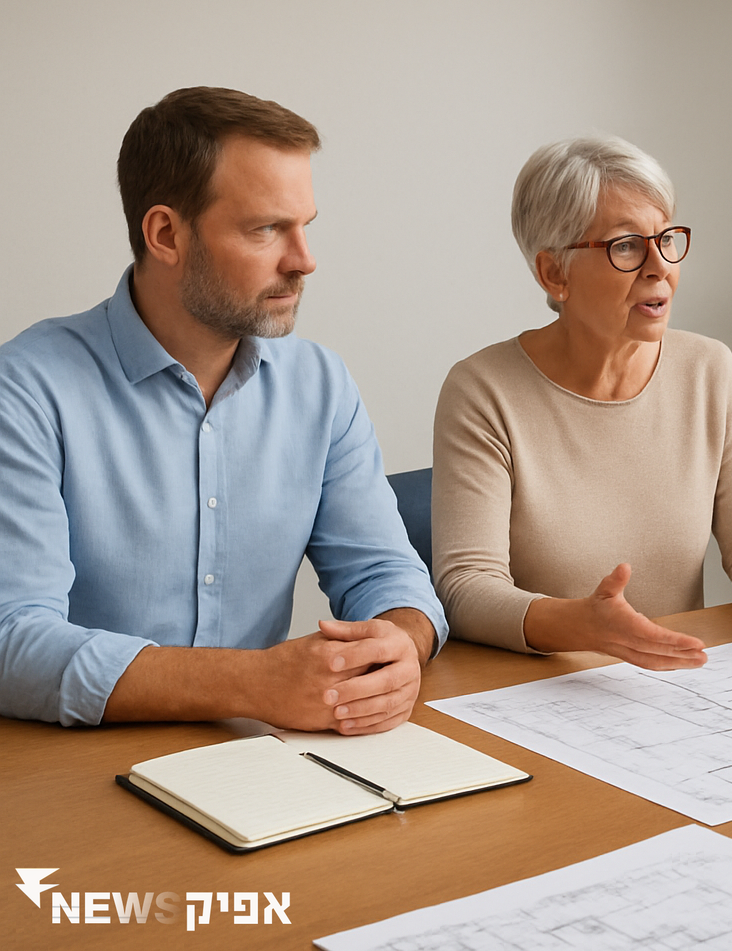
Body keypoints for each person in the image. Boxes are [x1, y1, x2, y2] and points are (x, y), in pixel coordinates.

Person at [0, 87, 445, 731]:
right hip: (77, 767)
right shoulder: (27, 389)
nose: (304, 261)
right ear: (165, 234)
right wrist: (252, 682)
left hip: (264, 757)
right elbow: (13, 637)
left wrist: (401, 642)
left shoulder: (321, 384)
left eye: (305, 227)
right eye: (266, 229)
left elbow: (384, 572)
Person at [432, 136, 732, 667]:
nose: (659, 265)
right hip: (539, 690)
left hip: (675, 684)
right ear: (554, 273)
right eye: (625, 246)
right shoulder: (483, 390)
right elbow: (466, 588)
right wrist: (581, 626)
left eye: (666, 239)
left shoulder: (708, 369)